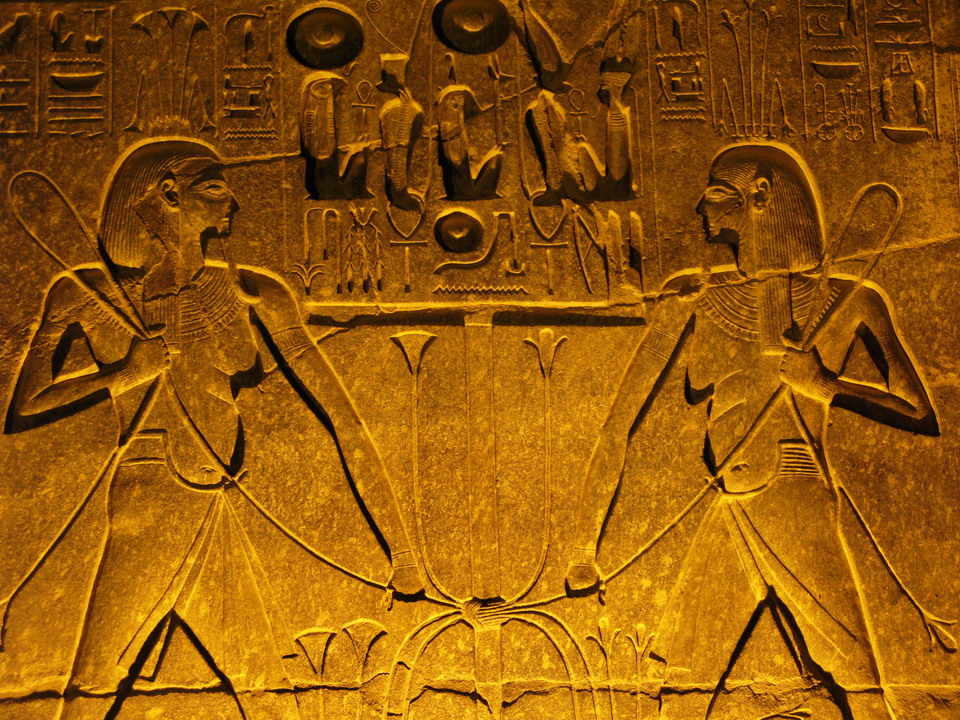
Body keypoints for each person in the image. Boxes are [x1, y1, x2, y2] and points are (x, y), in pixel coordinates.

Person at [6, 138, 424, 720]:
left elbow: (342, 418)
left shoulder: (254, 292)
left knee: (267, 691)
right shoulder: (85, 294)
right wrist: (124, 375)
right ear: (169, 194)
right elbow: (24, 408)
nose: (234, 203)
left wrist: (401, 549)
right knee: (93, 687)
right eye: (215, 187)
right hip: (152, 502)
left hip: (214, 497)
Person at [565, 143, 940, 719]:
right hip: (728, 504)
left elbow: (919, 413)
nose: (701, 207)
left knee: (859, 682)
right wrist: (584, 548)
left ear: (761, 196)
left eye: (717, 192)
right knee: (682, 688)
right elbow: (619, 425)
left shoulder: (851, 299)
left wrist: (826, 384)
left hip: (795, 499)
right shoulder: (696, 300)